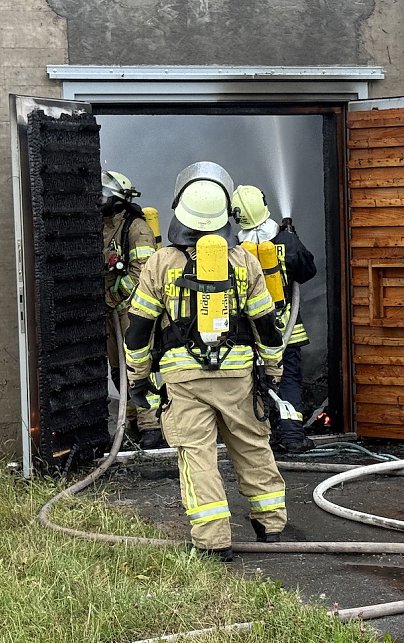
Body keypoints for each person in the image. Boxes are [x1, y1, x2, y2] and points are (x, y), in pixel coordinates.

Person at [122, 162, 287, 562]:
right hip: (237, 374)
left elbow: (139, 330)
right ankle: (272, 526)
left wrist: (139, 379)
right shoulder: (245, 261)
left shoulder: (161, 263)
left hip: (183, 379)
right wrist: (272, 370)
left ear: (180, 213)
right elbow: (267, 325)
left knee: (197, 456)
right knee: (252, 446)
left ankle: (213, 541)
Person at [232, 185, 318, 454]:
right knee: (288, 379)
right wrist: (293, 240)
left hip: (250, 333)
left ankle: (259, 436)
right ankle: (292, 435)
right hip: (286, 332)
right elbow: (307, 271)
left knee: (254, 382)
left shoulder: (236, 249)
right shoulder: (285, 241)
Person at [99, 170, 165, 450]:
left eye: (102, 196)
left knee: (139, 367)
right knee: (117, 370)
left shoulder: (137, 229)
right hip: (108, 309)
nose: (98, 201)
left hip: (131, 311)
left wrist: (115, 295)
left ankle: (151, 426)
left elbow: (143, 272)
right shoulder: (102, 225)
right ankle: (131, 421)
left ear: (117, 201)